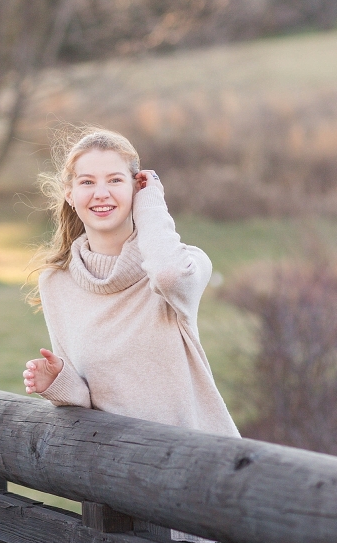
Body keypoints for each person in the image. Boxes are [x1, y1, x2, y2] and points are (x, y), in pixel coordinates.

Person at [23, 126, 240, 454]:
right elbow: (87, 397)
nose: (101, 193)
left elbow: (167, 275)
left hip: (200, 463)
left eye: (115, 180)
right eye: (87, 182)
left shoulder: (188, 264)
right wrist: (56, 382)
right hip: (122, 470)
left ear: (136, 189)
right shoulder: (56, 283)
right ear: (70, 193)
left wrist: (151, 200)